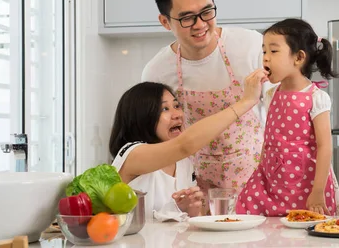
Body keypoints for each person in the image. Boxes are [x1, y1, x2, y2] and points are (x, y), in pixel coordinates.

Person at [142, 0, 270, 200]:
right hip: (195, 192)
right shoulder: (156, 72)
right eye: (187, 18)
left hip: (256, 183)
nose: (200, 24)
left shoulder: (252, 46)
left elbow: (279, 113)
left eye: (207, 12)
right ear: (165, 21)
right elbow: (158, 142)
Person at [109, 69, 267, 221]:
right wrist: (246, 101)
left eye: (177, 106)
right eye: (165, 109)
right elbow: (185, 145)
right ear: (142, 116)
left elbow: (184, 220)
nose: (177, 114)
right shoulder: (133, 154)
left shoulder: (184, 163)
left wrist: (190, 211)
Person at [236, 18, 339, 217]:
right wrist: (262, 169)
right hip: (272, 180)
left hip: (306, 183)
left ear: (298, 57)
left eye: (273, 51)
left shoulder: (316, 98)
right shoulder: (270, 94)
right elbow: (269, 139)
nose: (266, 58)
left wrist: (318, 191)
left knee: (307, 229)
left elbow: (325, 146)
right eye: (264, 51)